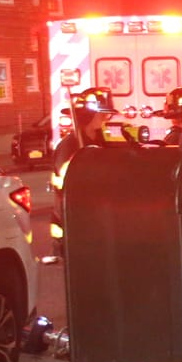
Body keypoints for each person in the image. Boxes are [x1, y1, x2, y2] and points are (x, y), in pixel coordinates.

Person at [50, 87, 116, 259]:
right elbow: (69, 183)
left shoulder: (99, 142)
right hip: (72, 224)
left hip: (95, 222)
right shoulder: (69, 146)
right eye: (102, 114)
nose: (106, 118)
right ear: (88, 116)